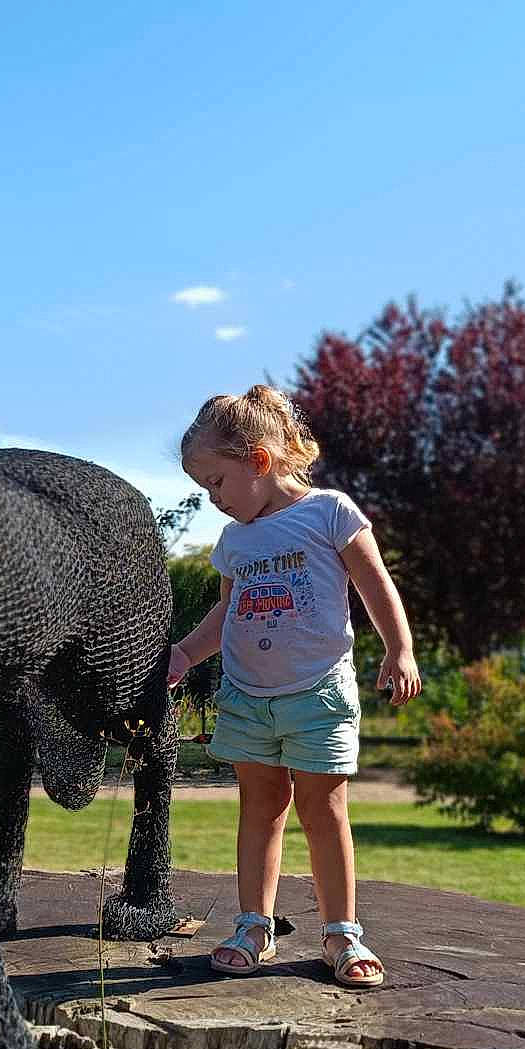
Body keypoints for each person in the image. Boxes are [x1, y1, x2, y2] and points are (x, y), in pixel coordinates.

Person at [168, 385, 422, 986]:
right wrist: (182, 654)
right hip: (248, 697)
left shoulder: (328, 512)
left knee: (323, 808)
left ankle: (341, 933)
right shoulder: (235, 543)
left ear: (258, 461)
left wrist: (400, 649)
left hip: (318, 693)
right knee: (260, 807)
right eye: (203, 489)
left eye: (218, 483)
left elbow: (374, 583)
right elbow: (226, 615)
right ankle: (254, 924)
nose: (214, 500)